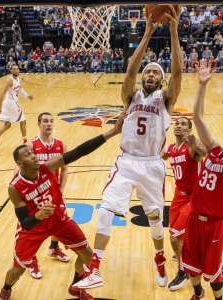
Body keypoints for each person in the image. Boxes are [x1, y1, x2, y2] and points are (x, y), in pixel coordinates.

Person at [73, 5, 183, 291]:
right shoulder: (130, 96)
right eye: (147, 72)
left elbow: (179, 74)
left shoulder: (166, 99)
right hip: (127, 162)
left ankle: (159, 257)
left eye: (155, 73)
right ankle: (95, 268)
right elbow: (130, 71)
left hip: (152, 165)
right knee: (107, 209)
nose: (149, 75)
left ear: (161, 80)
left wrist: (173, 32)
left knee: (155, 218)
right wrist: (147, 34)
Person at [0, 112, 127, 300]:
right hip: (33, 229)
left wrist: (112, 132)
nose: (34, 156)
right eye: (28, 155)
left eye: (33, 153)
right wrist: (39, 215)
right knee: (17, 271)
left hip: (59, 219)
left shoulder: (47, 167)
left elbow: (79, 152)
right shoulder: (15, 187)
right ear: (20, 163)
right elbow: (25, 223)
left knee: (87, 255)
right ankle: (6, 289)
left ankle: (76, 288)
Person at [180, 67, 223, 300]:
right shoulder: (216, 150)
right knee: (189, 265)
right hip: (195, 218)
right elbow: (197, 118)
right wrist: (202, 84)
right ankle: (197, 293)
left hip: (215, 224)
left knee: (214, 273)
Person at [15, 112, 70, 279]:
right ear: (39, 124)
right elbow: (19, 171)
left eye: (51, 121)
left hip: (53, 193)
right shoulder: (31, 146)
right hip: (35, 197)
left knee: (58, 221)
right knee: (32, 229)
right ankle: (31, 260)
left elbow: (65, 169)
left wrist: (60, 189)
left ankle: (53, 248)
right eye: (45, 121)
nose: (49, 124)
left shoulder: (61, 144)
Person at [161, 118, 206, 291]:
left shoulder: (193, 148)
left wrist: (195, 143)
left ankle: (184, 271)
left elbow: (207, 152)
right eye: (177, 123)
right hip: (178, 196)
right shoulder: (172, 148)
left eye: (183, 124)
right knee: (176, 234)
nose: (179, 125)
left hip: (195, 198)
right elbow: (158, 158)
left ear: (189, 129)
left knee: (174, 239)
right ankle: (187, 255)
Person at [0, 65, 33, 152]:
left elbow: (21, 90)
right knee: (23, 121)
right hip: (10, 102)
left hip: (9, 103)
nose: (16, 70)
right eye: (14, 69)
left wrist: (27, 96)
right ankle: (25, 142)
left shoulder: (18, 79)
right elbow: (2, 93)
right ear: (11, 71)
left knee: (7, 124)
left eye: (17, 69)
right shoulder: (10, 80)